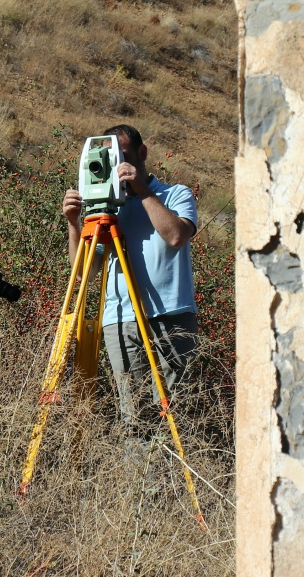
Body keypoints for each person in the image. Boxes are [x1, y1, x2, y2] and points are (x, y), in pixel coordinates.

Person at [63, 124, 198, 428]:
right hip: (121, 320)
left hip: (171, 314)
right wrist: (74, 223)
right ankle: (136, 461)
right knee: (135, 417)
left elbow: (176, 236)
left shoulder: (175, 194)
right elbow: (84, 271)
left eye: (121, 155)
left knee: (176, 414)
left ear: (142, 152)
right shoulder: (106, 208)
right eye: (110, 158)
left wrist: (142, 191)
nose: (116, 164)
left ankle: (172, 462)